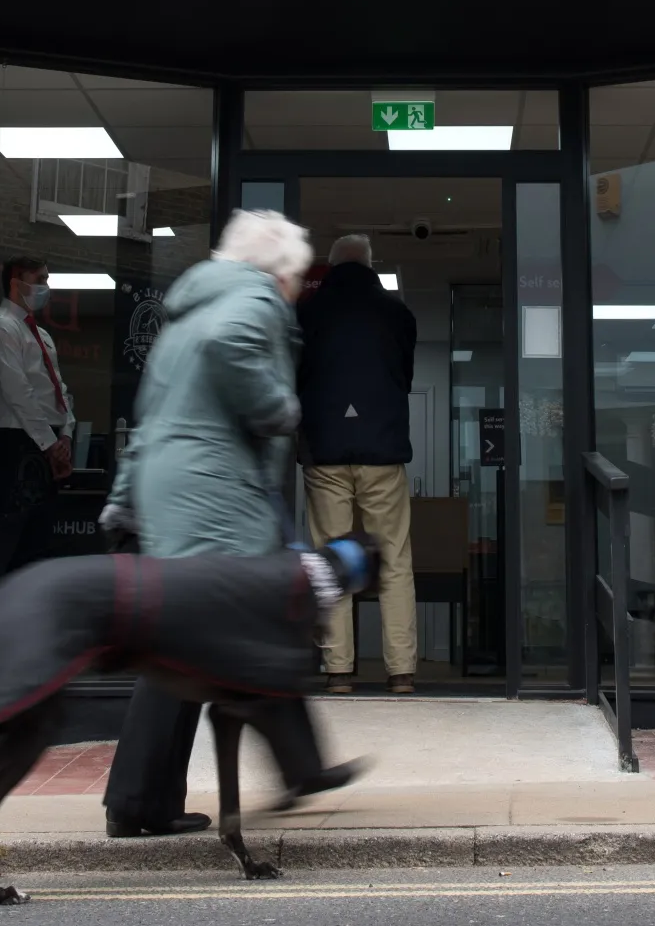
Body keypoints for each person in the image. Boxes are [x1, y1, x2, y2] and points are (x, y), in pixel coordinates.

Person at [98, 210, 353, 838]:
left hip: (174, 485)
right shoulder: (252, 301)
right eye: (295, 277)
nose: (294, 291)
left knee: (193, 633)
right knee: (217, 629)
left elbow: (151, 415)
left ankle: (148, 800)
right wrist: (279, 407)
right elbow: (231, 351)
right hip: (211, 490)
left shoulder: (185, 318)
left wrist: (126, 498)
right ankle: (148, 798)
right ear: (278, 271)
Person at [296, 234, 420, 695]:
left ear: (329, 266)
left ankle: (338, 671)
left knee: (331, 558)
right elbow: (404, 378)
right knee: (394, 560)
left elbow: (296, 378)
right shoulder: (396, 312)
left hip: (325, 451)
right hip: (383, 450)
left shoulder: (307, 312)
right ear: (370, 265)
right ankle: (402, 670)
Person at [0, 256, 74, 580]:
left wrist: (66, 434)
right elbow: (17, 391)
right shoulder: (1, 327)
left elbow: (58, 389)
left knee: (39, 541)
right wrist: (49, 443)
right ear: (17, 283)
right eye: (40, 278)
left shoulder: (41, 335)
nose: (46, 286)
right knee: (12, 542)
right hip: (18, 441)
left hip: (47, 442)